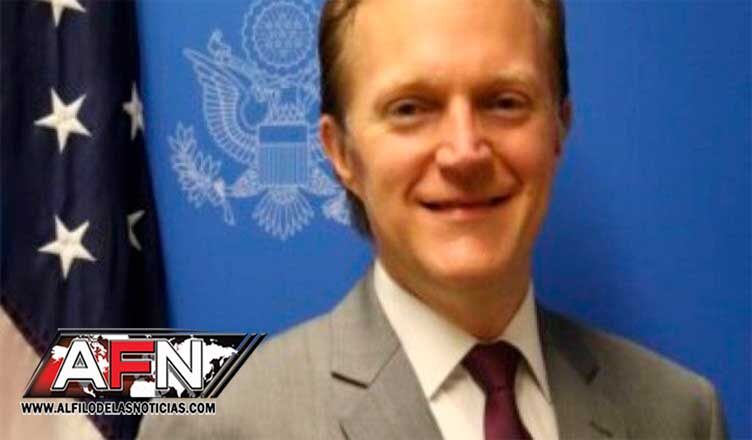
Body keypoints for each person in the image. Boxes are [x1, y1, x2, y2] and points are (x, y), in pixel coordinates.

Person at [140, 0, 727, 438]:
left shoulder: (680, 415)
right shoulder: (220, 423)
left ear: (559, 128)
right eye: (410, 109)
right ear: (341, 152)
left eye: (504, 101)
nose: (464, 152)